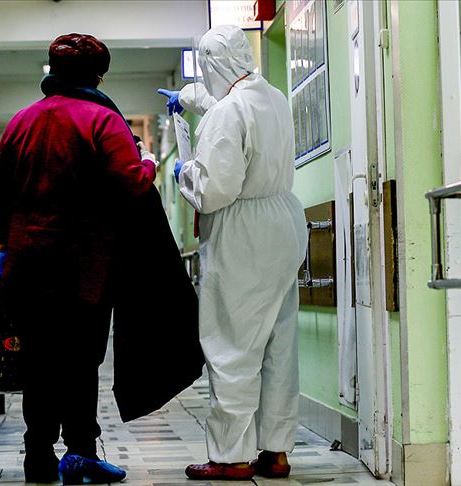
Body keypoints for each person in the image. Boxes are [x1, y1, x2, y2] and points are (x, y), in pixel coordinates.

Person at [0, 33, 159, 484]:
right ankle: (80, 454)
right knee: (80, 362)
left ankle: (38, 456)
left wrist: (4, 247)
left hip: (26, 266)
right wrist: (149, 162)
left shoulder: (21, 121)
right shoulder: (102, 120)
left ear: (53, 71)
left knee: (38, 362)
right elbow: (131, 183)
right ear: (98, 76)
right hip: (84, 268)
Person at [159, 25, 307, 480]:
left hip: (243, 232)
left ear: (212, 65)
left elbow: (214, 191)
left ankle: (230, 456)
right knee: (278, 343)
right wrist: (186, 97)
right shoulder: (272, 97)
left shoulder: (227, 112)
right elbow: (224, 103)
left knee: (232, 342)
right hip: (283, 224)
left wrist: (184, 172)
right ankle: (276, 451)